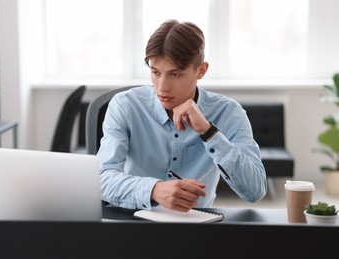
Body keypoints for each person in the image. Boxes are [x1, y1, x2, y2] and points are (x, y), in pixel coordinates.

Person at [97, 19, 267, 212]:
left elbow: (255, 191)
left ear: (201, 71)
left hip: (195, 226)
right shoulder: (125, 105)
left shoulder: (229, 113)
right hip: (134, 222)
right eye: (155, 72)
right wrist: (154, 190)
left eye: (175, 74)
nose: (162, 87)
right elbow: (101, 178)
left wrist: (209, 132)